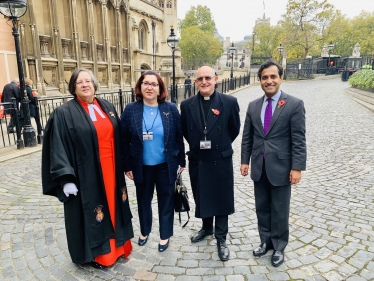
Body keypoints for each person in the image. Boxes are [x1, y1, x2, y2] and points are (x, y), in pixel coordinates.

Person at [42, 68, 134, 268]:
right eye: (79, 82)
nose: (85, 85)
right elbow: (57, 145)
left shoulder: (107, 106)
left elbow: (119, 138)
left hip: (111, 170)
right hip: (85, 174)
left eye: (88, 81)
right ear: (73, 87)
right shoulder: (63, 113)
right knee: (94, 212)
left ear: (94, 85)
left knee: (114, 206)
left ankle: (119, 248)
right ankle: (98, 255)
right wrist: (65, 178)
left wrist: (127, 164)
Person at [240, 60, 306, 267]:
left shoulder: (294, 104)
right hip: (259, 166)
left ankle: (279, 247)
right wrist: (245, 161)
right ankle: (265, 241)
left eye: (273, 77)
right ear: (260, 81)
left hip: (282, 168)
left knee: (279, 209)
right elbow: (247, 137)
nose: (269, 81)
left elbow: (298, 139)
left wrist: (297, 167)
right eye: (265, 77)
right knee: (262, 208)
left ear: (280, 78)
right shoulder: (253, 106)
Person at [120, 70, 185, 252]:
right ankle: (144, 231)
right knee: (143, 200)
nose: (150, 87)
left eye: (154, 84)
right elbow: (124, 140)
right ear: (140, 87)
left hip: (166, 164)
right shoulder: (131, 110)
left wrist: (181, 161)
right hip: (141, 165)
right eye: (146, 83)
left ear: (160, 89)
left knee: (166, 201)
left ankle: (165, 235)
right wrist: (127, 166)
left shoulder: (170, 109)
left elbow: (179, 136)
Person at [180, 66, 240, 261]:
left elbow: (234, 129)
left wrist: (219, 144)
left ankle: (221, 237)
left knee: (221, 198)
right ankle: (207, 228)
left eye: (208, 78)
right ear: (196, 82)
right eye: (200, 79)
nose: (204, 82)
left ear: (216, 79)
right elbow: (186, 132)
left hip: (220, 158)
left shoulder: (229, 102)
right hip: (199, 159)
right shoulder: (187, 105)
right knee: (202, 194)